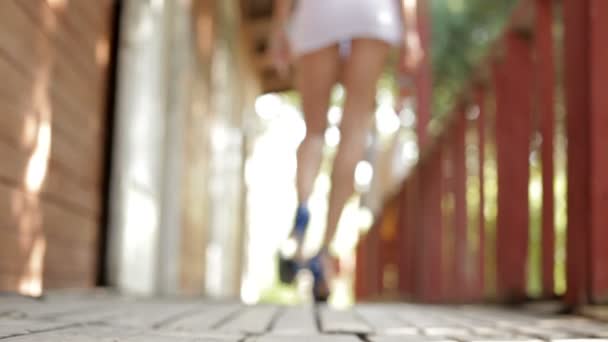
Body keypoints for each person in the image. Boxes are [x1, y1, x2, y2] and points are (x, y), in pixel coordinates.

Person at [270, 0, 423, 301]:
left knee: (314, 131)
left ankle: (303, 210)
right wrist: (411, 33)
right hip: (372, 13)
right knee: (353, 131)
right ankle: (324, 251)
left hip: (319, 11)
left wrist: (280, 26)